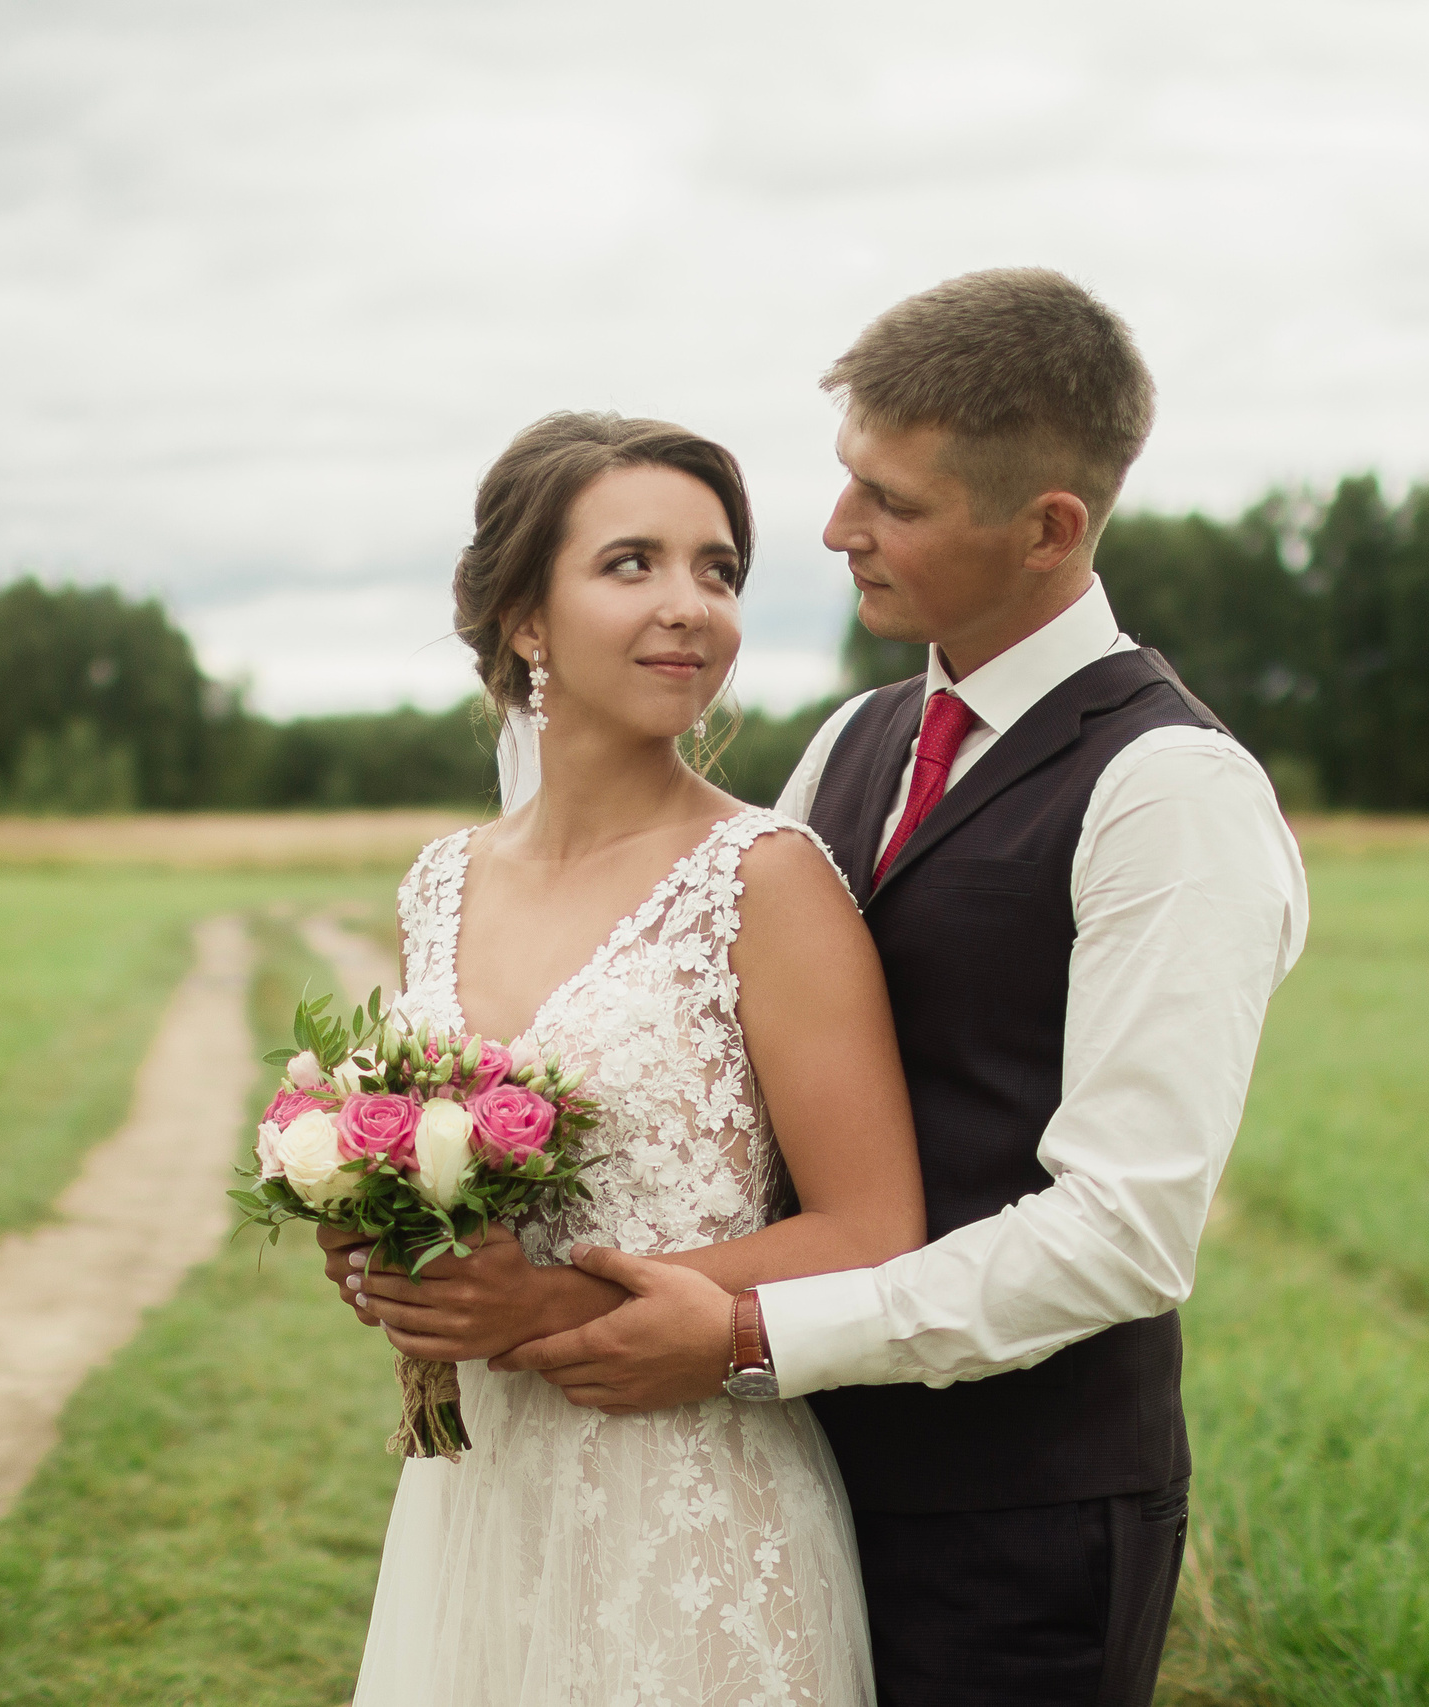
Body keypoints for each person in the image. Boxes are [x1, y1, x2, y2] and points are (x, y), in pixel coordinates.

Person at [485, 270, 1311, 1706]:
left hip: (1019, 1523)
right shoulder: (857, 739)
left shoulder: (1170, 794)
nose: (835, 528)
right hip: (782, 1480)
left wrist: (748, 1332)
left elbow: (1124, 1235)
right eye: (846, 480)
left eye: (895, 502)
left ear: (1049, 528)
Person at [331, 410, 929, 1706]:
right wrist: (389, 1259)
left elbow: (874, 1223)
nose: (690, 607)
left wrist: (552, 1306)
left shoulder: (763, 882)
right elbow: (438, 1177)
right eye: (632, 564)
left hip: (690, 1505)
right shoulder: (441, 883)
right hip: (485, 1497)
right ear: (525, 622)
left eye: (718, 571)